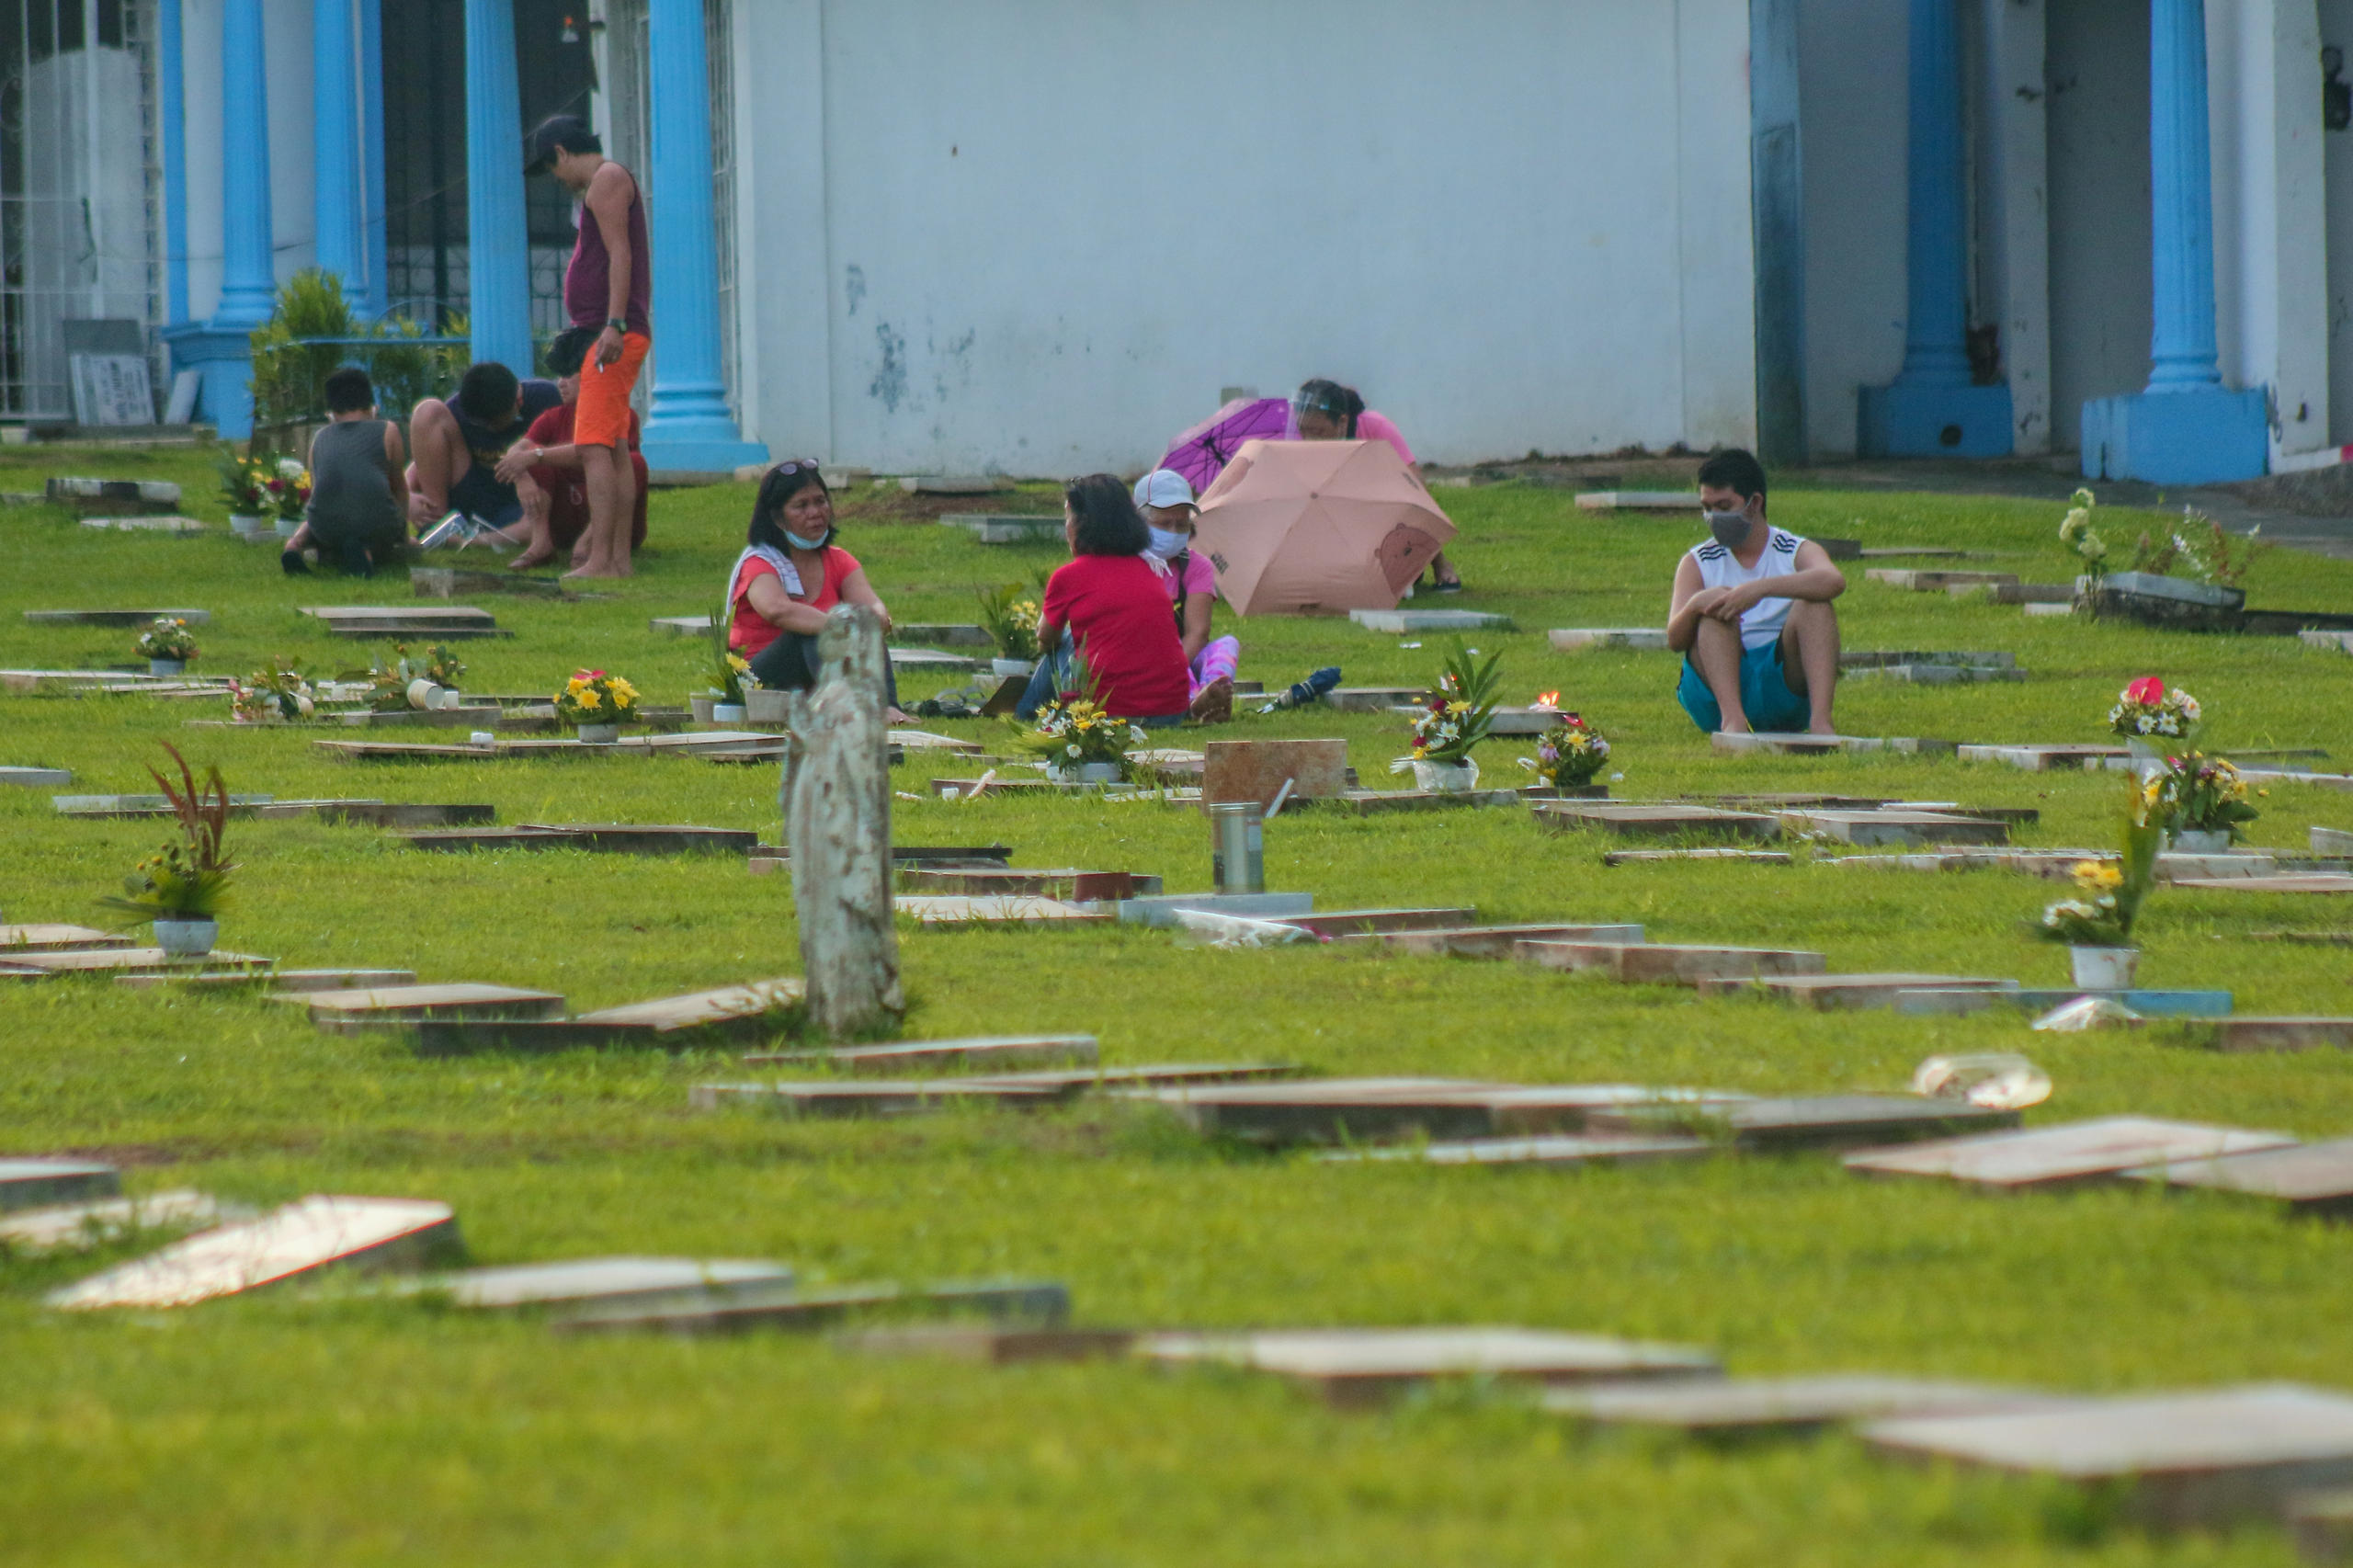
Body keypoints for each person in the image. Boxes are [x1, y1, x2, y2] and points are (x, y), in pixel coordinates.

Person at [527, 115, 650, 581]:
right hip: (603, 331)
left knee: (594, 446)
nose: (557, 179)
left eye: (552, 167)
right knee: (613, 448)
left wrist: (613, 324)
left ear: (561, 152)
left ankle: (600, 560)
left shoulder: (606, 179)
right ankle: (617, 561)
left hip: (610, 333)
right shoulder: (603, 185)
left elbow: (621, 254)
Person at [1666, 448, 1845, 736]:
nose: (1713, 517)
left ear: (1754, 503)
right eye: (1707, 508)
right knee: (1713, 615)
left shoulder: (1791, 549)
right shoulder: (1697, 561)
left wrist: (1760, 590)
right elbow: (1674, 640)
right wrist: (1696, 604)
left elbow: (1832, 580)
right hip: (1717, 688)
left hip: (1783, 682)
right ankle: (1733, 724)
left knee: (1816, 605)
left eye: (1724, 507)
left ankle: (1821, 723)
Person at [723, 461, 905, 720]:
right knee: (811, 630)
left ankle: (888, 707)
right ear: (777, 518)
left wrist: (874, 620)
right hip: (758, 680)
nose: (815, 512)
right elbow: (777, 610)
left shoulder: (839, 560)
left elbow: (873, 608)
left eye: (820, 501)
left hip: (810, 678)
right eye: (801, 506)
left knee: (863, 622)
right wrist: (839, 626)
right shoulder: (759, 562)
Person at [1016, 474, 1193, 724]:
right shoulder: (1150, 571)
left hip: (1108, 712)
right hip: (1170, 712)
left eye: (1068, 517)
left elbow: (1045, 640)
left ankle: (1026, 711)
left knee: (1064, 642)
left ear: (1081, 524)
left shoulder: (1069, 577)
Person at [494, 327, 649, 571]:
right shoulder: (552, 417)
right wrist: (522, 476)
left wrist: (534, 457)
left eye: (569, 375)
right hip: (567, 514)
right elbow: (517, 450)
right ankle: (541, 543)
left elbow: (595, 454)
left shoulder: (621, 415)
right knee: (532, 455)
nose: (561, 383)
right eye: (559, 376)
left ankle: (591, 542)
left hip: (609, 516)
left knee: (634, 463)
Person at [1289, 378, 1463, 592]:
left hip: (1381, 502)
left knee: (1412, 499)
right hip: (1339, 509)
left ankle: (1439, 563)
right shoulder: (1300, 440)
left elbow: (1415, 483)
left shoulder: (1375, 427)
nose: (1309, 438)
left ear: (1342, 422)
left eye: (1319, 432)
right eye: (1303, 430)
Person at [406, 360, 563, 541]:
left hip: (525, 501)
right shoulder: (466, 406)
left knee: (545, 520)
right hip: (475, 491)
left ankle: (472, 541)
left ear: (518, 402)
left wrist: (523, 473)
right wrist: (406, 495)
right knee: (427, 410)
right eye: (480, 424)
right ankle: (438, 525)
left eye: (494, 423)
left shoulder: (546, 399)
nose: (487, 428)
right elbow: (424, 462)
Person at [1132, 469, 1240, 722]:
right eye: (1163, 524)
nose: (1173, 531)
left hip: (1182, 657)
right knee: (1166, 657)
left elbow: (1197, 633)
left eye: (1181, 525)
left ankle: (1213, 693)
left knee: (1227, 644)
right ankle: (1194, 705)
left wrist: (1175, 665)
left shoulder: (1196, 567)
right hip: (1141, 661)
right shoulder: (1125, 564)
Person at [281, 365, 408, 576]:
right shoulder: (388, 429)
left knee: (323, 512)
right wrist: (403, 534)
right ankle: (366, 554)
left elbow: (317, 495)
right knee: (377, 522)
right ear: (370, 402)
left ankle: (294, 545)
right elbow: (399, 488)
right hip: (375, 524)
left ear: (331, 409)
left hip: (325, 527)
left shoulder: (319, 438)